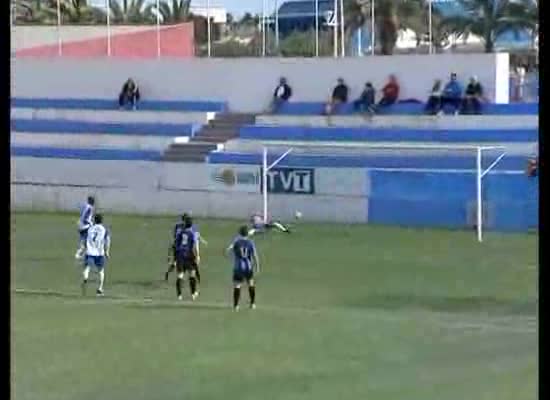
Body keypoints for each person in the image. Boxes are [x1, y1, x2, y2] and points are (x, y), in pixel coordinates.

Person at [165, 213, 207, 283]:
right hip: (179, 248)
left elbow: (196, 235)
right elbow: (175, 237)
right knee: (175, 263)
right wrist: (172, 249)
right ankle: (169, 273)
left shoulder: (191, 226)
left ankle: (197, 279)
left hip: (188, 249)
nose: (185, 221)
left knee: (194, 264)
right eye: (184, 219)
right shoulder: (178, 227)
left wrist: (202, 240)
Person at [226, 225, 260, 311]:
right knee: (251, 284)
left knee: (237, 285)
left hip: (238, 268)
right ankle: (252, 304)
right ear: (247, 233)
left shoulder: (236, 242)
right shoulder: (250, 243)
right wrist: (257, 266)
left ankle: (236, 305)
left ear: (240, 233)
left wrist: (231, 257)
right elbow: (255, 255)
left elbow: (228, 251)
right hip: (248, 267)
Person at [81, 214, 110, 297]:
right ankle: (100, 289)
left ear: (94, 220)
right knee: (101, 271)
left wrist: (83, 249)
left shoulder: (90, 228)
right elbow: (107, 240)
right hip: (99, 253)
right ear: (102, 221)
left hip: (89, 252)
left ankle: (85, 278)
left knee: (87, 267)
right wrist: (107, 251)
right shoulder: (104, 229)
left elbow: (84, 240)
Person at [174, 216, 199, 301]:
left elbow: (176, 243)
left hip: (180, 255)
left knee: (180, 275)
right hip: (188, 255)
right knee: (192, 273)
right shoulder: (192, 234)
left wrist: (176, 255)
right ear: (191, 225)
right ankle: (193, 293)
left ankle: (179, 295)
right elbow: (193, 246)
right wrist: (196, 256)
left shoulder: (180, 232)